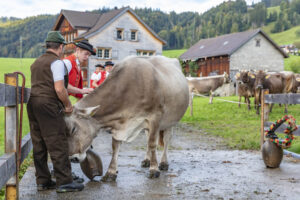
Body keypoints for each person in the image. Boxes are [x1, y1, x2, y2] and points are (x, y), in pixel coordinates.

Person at [27, 31, 84, 193]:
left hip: (33, 103)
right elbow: (59, 88)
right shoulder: (57, 63)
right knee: (57, 141)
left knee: (39, 143)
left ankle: (43, 180)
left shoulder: (36, 62)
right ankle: (64, 182)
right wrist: (67, 105)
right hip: (48, 104)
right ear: (60, 46)